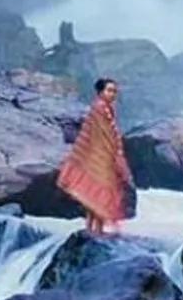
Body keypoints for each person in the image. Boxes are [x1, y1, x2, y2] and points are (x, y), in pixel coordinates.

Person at [56, 77, 131, 235]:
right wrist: (115, 153)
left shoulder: (106, 108)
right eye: (109, 90)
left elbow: (109, 133)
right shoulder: (98, 108)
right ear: (100, 92)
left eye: (114, 91)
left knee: (99, 191)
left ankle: (94, 227)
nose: (112, 94)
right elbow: (100, 134)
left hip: (102, 154)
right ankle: (94, 227)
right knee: (100, 189)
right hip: (98, 155)